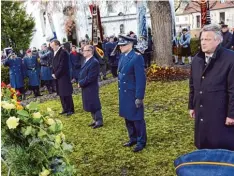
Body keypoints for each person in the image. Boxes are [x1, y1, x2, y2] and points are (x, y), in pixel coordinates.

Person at [188, 24, 234, 150]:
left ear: (218, 40)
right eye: (202, 39)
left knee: (220, 147)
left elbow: (233, 90)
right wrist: (191, 105)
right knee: (203, 144)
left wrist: (232, 114)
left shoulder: (230, 59)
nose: (203, 42)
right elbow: (192, 85)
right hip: (201, 110)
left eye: (207, 39)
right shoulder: (197, 60)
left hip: (220, 112)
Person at [117, 35, 147, 152]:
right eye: (120, 45)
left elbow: (140, 79)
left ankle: (141, 141)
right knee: (128, 117)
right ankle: (133, 138)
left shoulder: (136, 57)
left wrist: (139, 97)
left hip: (132, 93)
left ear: (130, 45)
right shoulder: (123, 56)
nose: (120, 47)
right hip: (124, 93)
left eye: (123, 45)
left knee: (137, 118)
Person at [78, 45, 103, 129]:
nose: (83, 52)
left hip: (91, 86)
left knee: (94, 102)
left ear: (90, 51)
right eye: (83, 50)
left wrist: (81, 83)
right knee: (89, 102)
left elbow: (91, 77)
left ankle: (99, 120)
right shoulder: (86, 60)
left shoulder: (94, 62)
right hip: (86, 86)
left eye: (85, 50)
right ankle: (94, 119)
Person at [50, 39, 74, 116]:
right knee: (61, 93)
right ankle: (65, 108)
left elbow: (62, 66)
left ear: (57, 45)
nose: (52, 48)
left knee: (66, 92)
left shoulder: (63, 52)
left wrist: (56, 74)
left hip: (63, 76)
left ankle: (70, 109)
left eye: (53, 46)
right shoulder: (54, 52)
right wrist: (53, 73)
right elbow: (54, 64)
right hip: (57, 76)